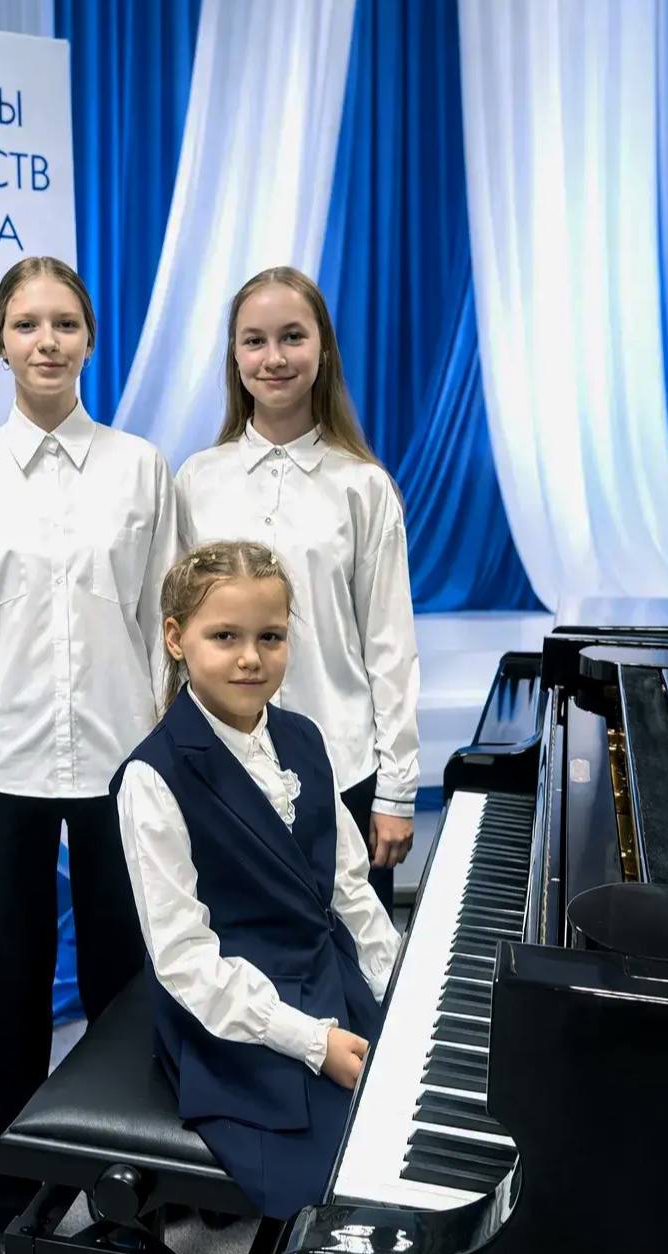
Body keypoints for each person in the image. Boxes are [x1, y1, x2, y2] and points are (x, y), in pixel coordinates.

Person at [0, 256, 177, 1254]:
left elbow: (166, 626)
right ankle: (3, 1197)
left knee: (129, 985)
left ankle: (131, 1190)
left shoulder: (141, 469)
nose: (47, 341)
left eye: (65, 322)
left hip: (123, 760)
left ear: (90, 338)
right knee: (3, 990)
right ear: (1, 341)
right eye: (27, 323)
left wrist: (174, 760)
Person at [110, 541, 401, 1219]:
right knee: (342, 1181)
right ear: (177, 639)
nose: (251, 658)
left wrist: (394, 982)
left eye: (270, 637)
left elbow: (348, 886)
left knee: (407, 1101)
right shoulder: (152, 778)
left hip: (321, 966)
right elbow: (183, 960)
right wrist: (312, 1042)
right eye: (225, 637)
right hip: (229, 1008)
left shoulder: (304, 738)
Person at [176, 267, 419, 913]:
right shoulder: (196, 480)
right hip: (222, 774)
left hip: (341, 767)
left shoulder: (364, 487)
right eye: (254, 340)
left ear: (323, 349)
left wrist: (397, 790)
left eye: (292, 336)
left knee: (352, 958)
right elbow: (174, 640)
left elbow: (391, 646)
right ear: (234, 357)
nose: (274, 357)